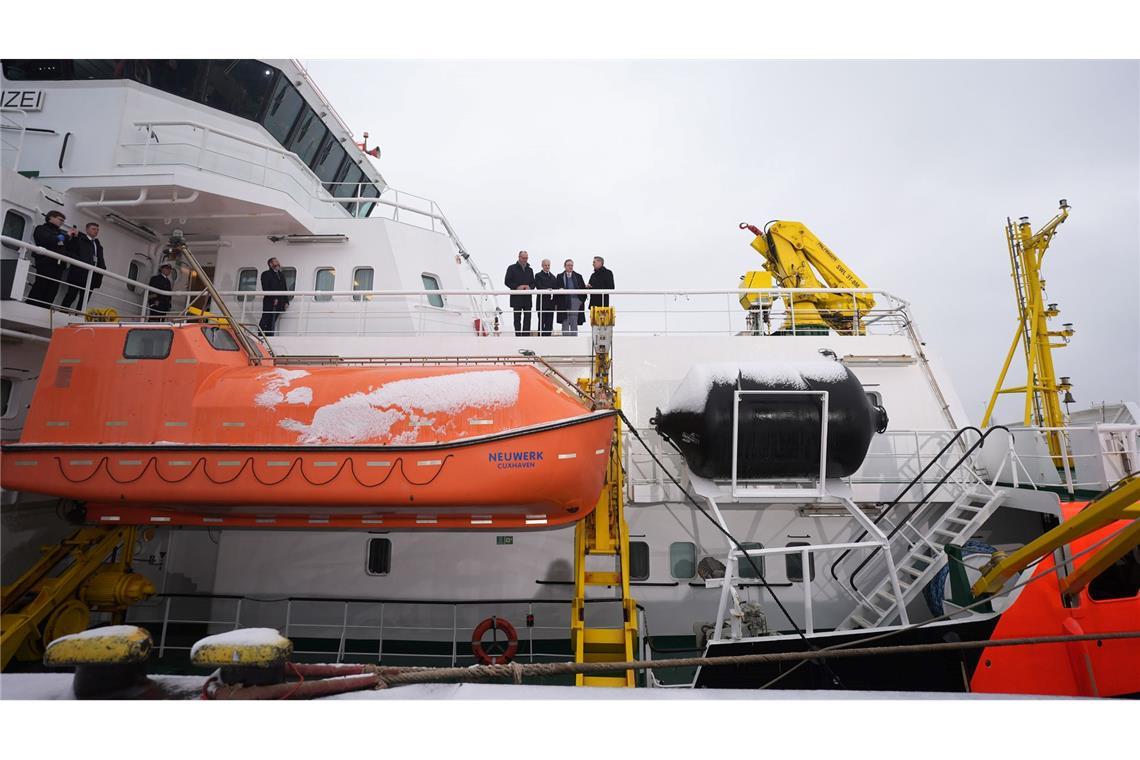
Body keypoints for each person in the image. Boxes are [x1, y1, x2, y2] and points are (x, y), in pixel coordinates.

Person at [28, 210, 76, 308]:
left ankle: (45, 308)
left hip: (58, 267)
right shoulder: (41, 229)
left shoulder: (60, 233)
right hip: (46, 263)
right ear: (51, 218)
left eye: (63, 221)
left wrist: (72, 238)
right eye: (60, 219)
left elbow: (64, 247)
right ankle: (32, 306)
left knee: (53, 289)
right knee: (41, 285)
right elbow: (49, 239)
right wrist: (65, 236)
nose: (62, 222)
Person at [59, 222, 107, 312]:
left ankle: (78, 317)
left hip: (92, 276)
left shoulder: (98, 245)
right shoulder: (79, 240)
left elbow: (100, 259)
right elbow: (69, 251)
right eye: (93, 229)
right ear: (87, 229)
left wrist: (102, 269)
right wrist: (80, 261)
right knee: (71, 295)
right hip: (79, 273)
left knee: (84, 300)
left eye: (97, 230)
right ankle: (62, 312)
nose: (96, 231)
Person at [503, 250, 535, 336]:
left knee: (527, 318)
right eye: (524, 258)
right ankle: (518, 336)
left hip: (527, 298)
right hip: (516, 298)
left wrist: (530, 287)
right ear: (519, 257)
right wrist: (517, 287)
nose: (525, 260)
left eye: (526, 258)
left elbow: (533, 283)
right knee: (517, 319)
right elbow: (507, 281)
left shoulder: (530, 270)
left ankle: (526, 336)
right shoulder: (511, 268)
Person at [259, 257, 292, 336]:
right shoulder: (266, 274)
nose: (278, 263)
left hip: (280, 301)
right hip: (269, 301)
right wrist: (273, 298)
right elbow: (266, 288)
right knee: (266, 318)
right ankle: (260, 334)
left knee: (273, 320)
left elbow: (284, 288)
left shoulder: (281, 275)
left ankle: (269, 335)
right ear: (270, 264)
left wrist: (286, 301)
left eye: (278, 261)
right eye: (275, 262)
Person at [553, 259, 586, 336]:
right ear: (565, 266)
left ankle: (574, 339)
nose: (570, 267)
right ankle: (566, 339)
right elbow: (556, 288)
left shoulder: (578, 276)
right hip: (564, 301)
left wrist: (581, 301)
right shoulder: (559, 276)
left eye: (571, 265)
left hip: (575, 301)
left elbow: (583, 288)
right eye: (568, 265)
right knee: (565, 321)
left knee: (574, 321)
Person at [534, 258, 558, 337]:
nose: (547, 267)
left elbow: (555, 288)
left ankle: (547, 339)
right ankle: (540, 340)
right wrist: (547, 289)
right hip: (542, 304)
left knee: (549, 323)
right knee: (541, 323)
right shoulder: (538, 275)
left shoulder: (553, 277)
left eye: (548, 265)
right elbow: (538, 286)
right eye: (545, 265)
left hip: (550, 304)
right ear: (542, 266)